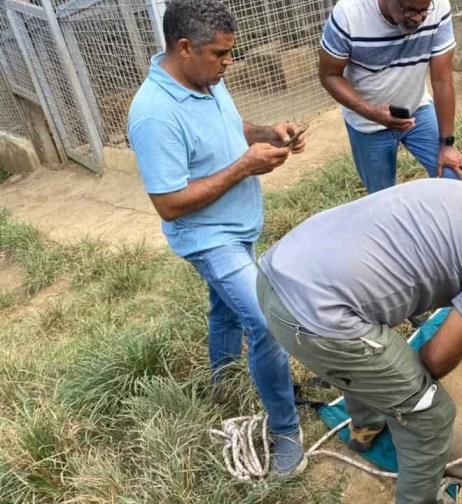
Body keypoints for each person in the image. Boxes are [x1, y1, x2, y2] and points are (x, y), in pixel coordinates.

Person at [257, 175, 462, 502]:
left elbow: (433, 266)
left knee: (375, 345)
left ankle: (365, 427)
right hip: (317, 319)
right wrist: (413, 393)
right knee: (431, 415)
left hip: (276, 274)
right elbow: (436, 357)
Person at [127, 0, 306, 476]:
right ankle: (285, 429)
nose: (230, 62)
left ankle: (224, 389)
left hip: (239, 224)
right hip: (208, 237)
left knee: (225, 308)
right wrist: (245, 166)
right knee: (268, 321)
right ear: (184, 48)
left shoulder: (205, 80)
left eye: (232, 52)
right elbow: (168, 203)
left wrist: (265, 133)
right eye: (220, 54)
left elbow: (230, 129)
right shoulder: (153, 114)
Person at [318, 0, 462, 193]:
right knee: (383, 198)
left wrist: (447, 145)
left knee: (454, 178)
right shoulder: (349, 14)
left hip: (417, 110)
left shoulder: (438, 6)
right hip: (367, 124)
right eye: (409, 10)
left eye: (423, 11)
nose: (417, 18)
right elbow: (329, 75)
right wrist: (371, 112)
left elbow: (442, 80)